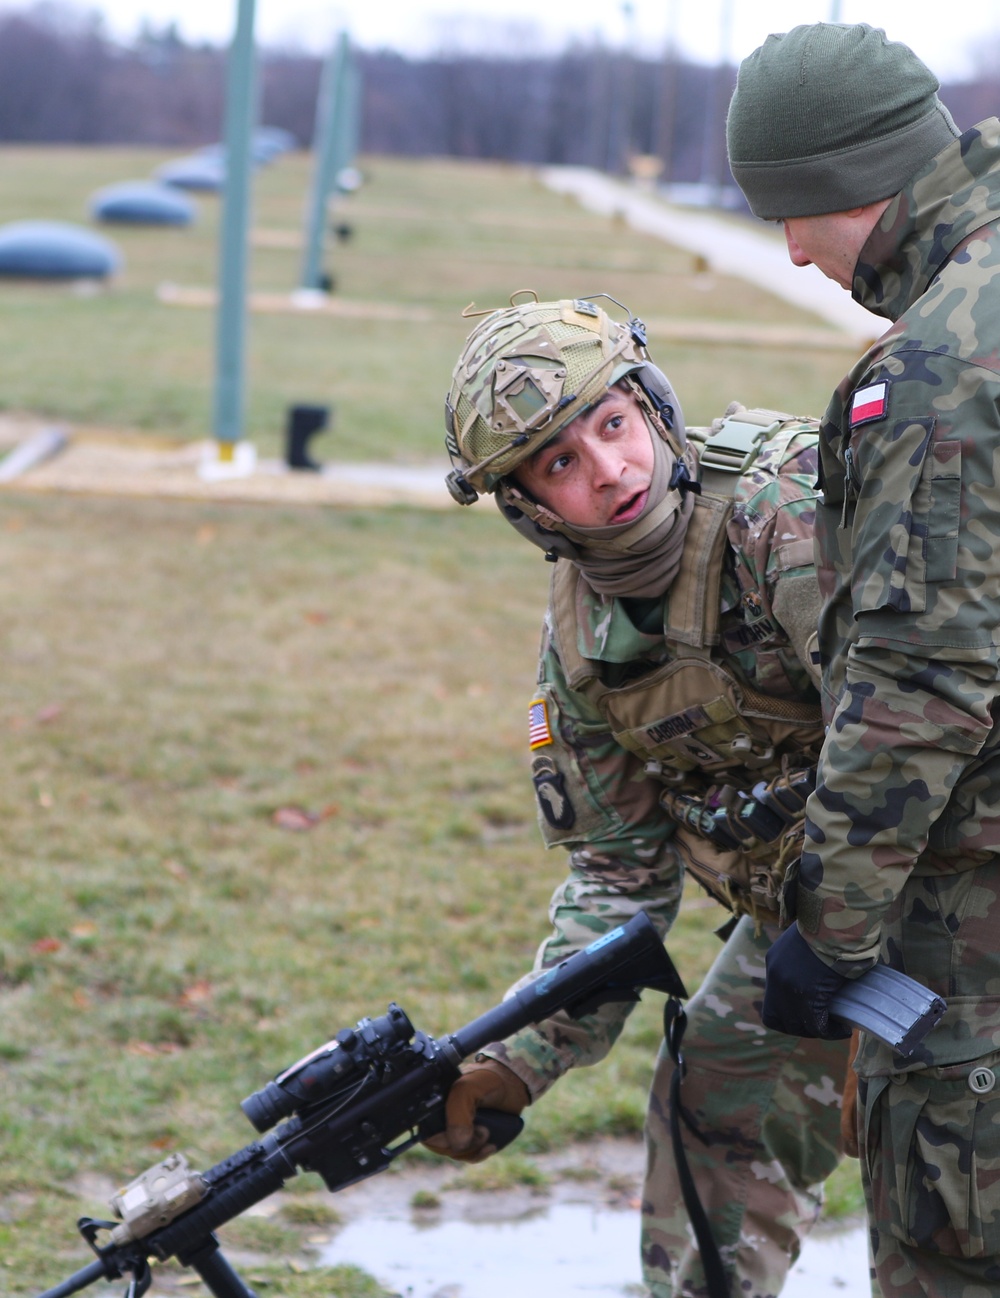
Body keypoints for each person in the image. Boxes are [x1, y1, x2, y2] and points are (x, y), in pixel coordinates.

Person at [428, 293, 855, 1298]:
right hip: (820, 923)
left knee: (947, 1164)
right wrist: (519, 1056)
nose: (609, 471)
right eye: (559, 463)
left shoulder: (781, 513)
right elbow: (618, 874)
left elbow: (925, 742)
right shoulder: (580, 642)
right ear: (526, 504)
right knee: (715, 1082)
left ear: (654, 410)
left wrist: (856, 953)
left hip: (954, 866)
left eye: (611, 426)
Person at [725, 22, 1000, 1298]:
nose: (790, 249)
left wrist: (827, 932)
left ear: (859, 173)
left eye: (793, 210)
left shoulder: (943, 362)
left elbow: (923, 677)